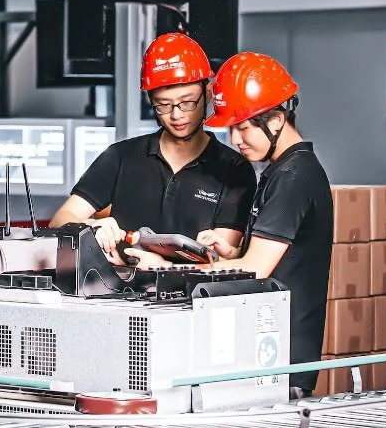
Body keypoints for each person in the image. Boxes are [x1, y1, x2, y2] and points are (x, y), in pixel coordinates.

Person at [125, 51, 333, 400]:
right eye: (231, 128)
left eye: (244, 126)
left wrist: (164, 269)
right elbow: (270, 258)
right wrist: (228, 253)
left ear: (278, 119)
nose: (235, 140)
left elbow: (256, 270)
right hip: (267, 352)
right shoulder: (280, 172)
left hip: (280, 361)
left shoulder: (295, 176)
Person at [48, 32, 257, 264]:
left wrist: (161, 268)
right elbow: (59, 220)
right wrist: (90, 225)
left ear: (207, 93)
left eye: (187, 102)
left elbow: (218, 258)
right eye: (163, 105)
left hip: (191, 296)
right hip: (114, 293)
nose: (177, 115)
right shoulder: (121, 156)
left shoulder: (234, 171)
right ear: (151, 101)